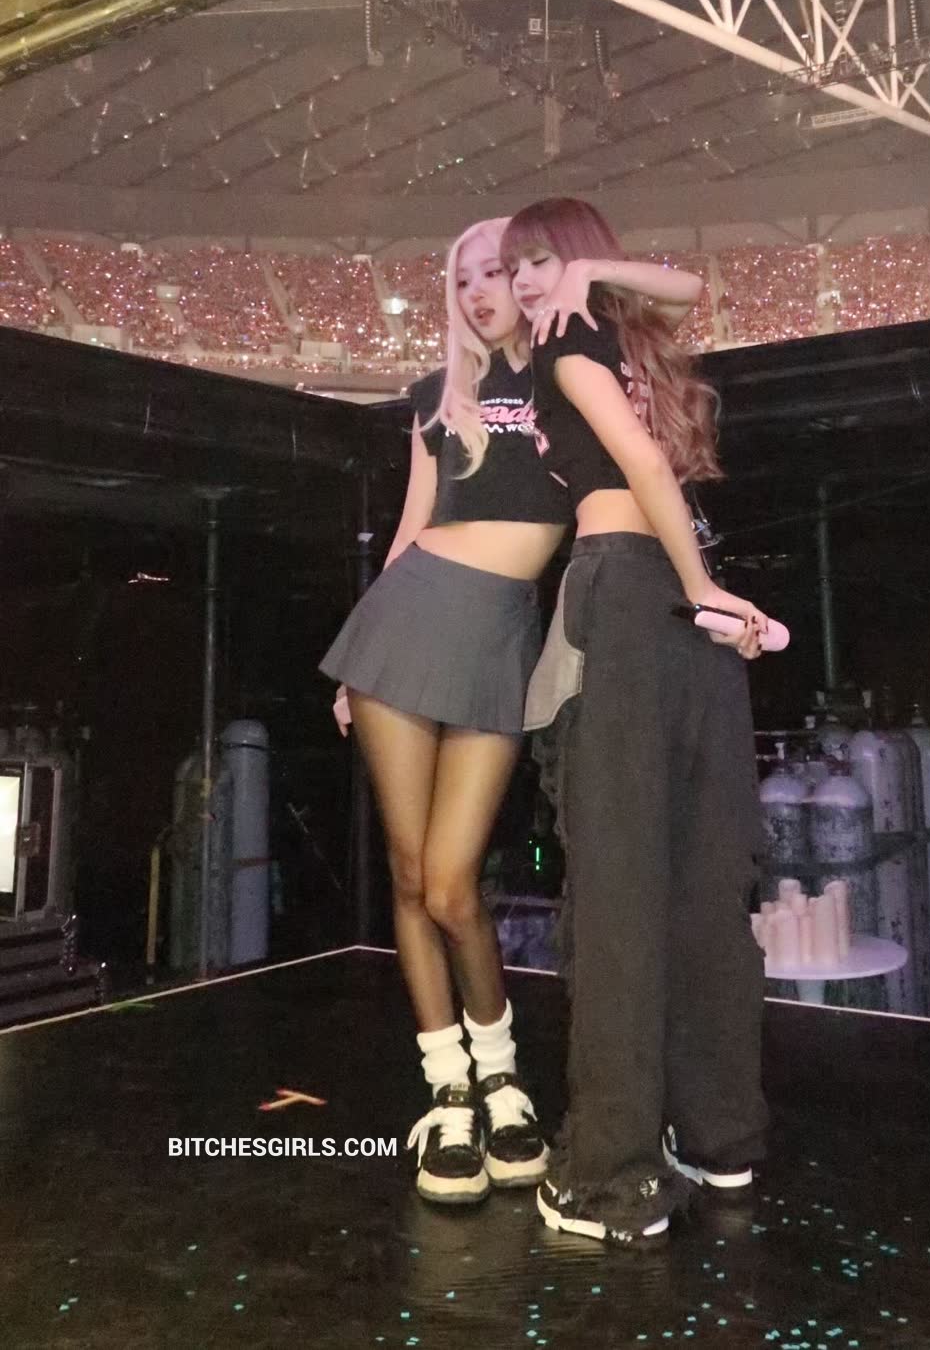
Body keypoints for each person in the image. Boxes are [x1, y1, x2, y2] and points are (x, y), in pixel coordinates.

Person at [320, 217, 703, 1208]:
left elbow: (685, 290)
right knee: (411, 874)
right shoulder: (433, 396)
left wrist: (587, 269)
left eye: (496, 270)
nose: (482, 290)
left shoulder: (568, 362)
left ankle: (503, 1072)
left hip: (498, 638)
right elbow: (409, 528)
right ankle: (452, 1092)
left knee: (453, 882)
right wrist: (354, 664)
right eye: (464, 278)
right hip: (402, 626)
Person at [502, 196, 770, 1248]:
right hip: (676, 612)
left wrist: (704, 591)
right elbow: (688, 288)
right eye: (514, 268)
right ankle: (718, 1136)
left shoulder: (567, 344)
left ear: (577, 262)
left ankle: (608, 1177)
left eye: (539, 260)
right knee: (704, 881)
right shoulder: (627, 348)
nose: (524, 282)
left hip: (627, 596)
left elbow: (643, 470)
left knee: (619, 889)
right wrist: (710, 601)